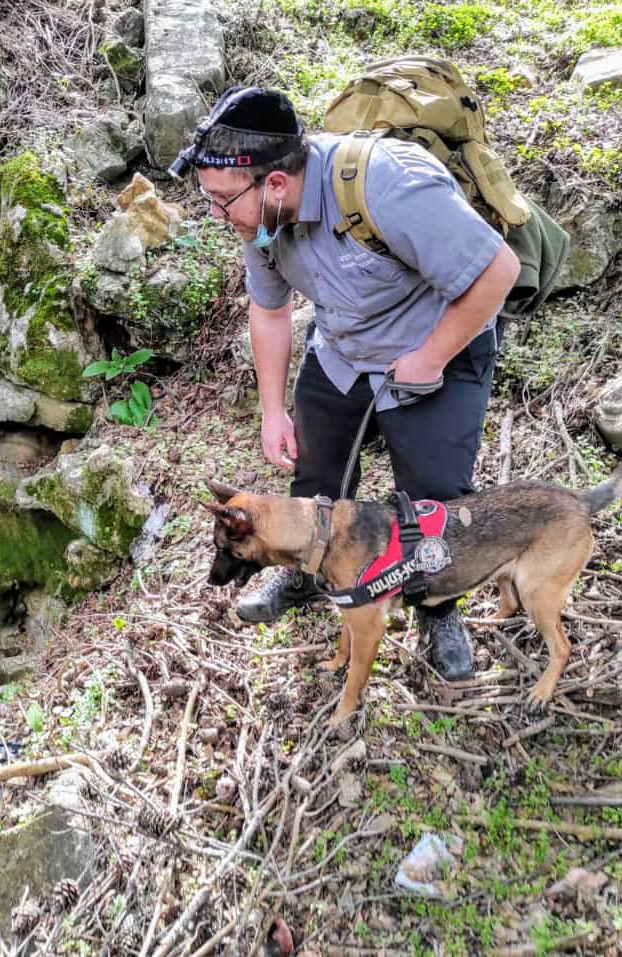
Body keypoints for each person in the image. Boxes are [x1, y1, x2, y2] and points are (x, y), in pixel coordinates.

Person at [170, 87, 520, 680]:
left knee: (434, 496)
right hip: (342, 350)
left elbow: (498, 271)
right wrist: (273, 410)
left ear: (274, 183)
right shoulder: (260, 220)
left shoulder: (390, 185)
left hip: (434, 345)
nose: (217, 214)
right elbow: (270, 311)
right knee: (315, 472)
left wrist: (431, 358)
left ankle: (436, 608)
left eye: (223, 201)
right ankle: (306, 573)